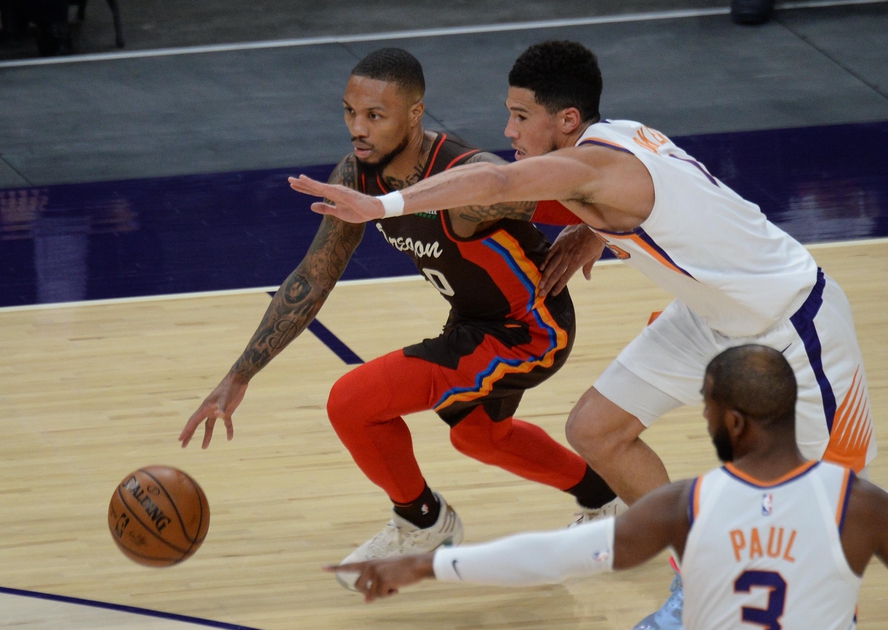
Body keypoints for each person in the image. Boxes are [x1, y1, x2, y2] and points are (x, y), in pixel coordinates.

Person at [288, 40, 888, 630]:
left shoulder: (596, 163)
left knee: (839, 512)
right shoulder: (614, 143)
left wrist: (380, 202)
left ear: (564, 122)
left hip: (794, 327)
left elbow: (494, 185)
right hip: (711, 315)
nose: (507, 131)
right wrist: (596, 230)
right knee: (597, 429)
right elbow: (655, 195)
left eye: (519, 116)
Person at [327, 345, 888, 630]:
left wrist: (427, 567)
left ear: (729, 419)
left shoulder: (685, 506)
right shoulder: (861, 506)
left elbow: (548, 556)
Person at [181, 48, 622, 589]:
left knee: (354, 400)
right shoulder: (358, 177)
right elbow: (313, 278)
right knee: (479, 437)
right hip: (475, 323)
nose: (357, 130)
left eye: (375, 116)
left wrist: (594, 232)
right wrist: (239, 374)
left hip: (527, 331)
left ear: (415, 114)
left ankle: (422, 521)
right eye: (350, 113)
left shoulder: (472, 182)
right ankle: (604, 497)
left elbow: (609, 188)